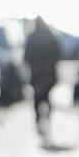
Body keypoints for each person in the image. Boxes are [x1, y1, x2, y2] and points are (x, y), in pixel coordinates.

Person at [23, 17, 61, 146]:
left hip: (37, 75)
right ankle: (46, 121)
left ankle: (39, 122)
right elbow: (58, 54)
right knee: (46, 99)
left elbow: (26, 56)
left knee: (37, 100)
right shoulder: (50, 36)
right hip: (48, 75)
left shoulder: (32, 37)